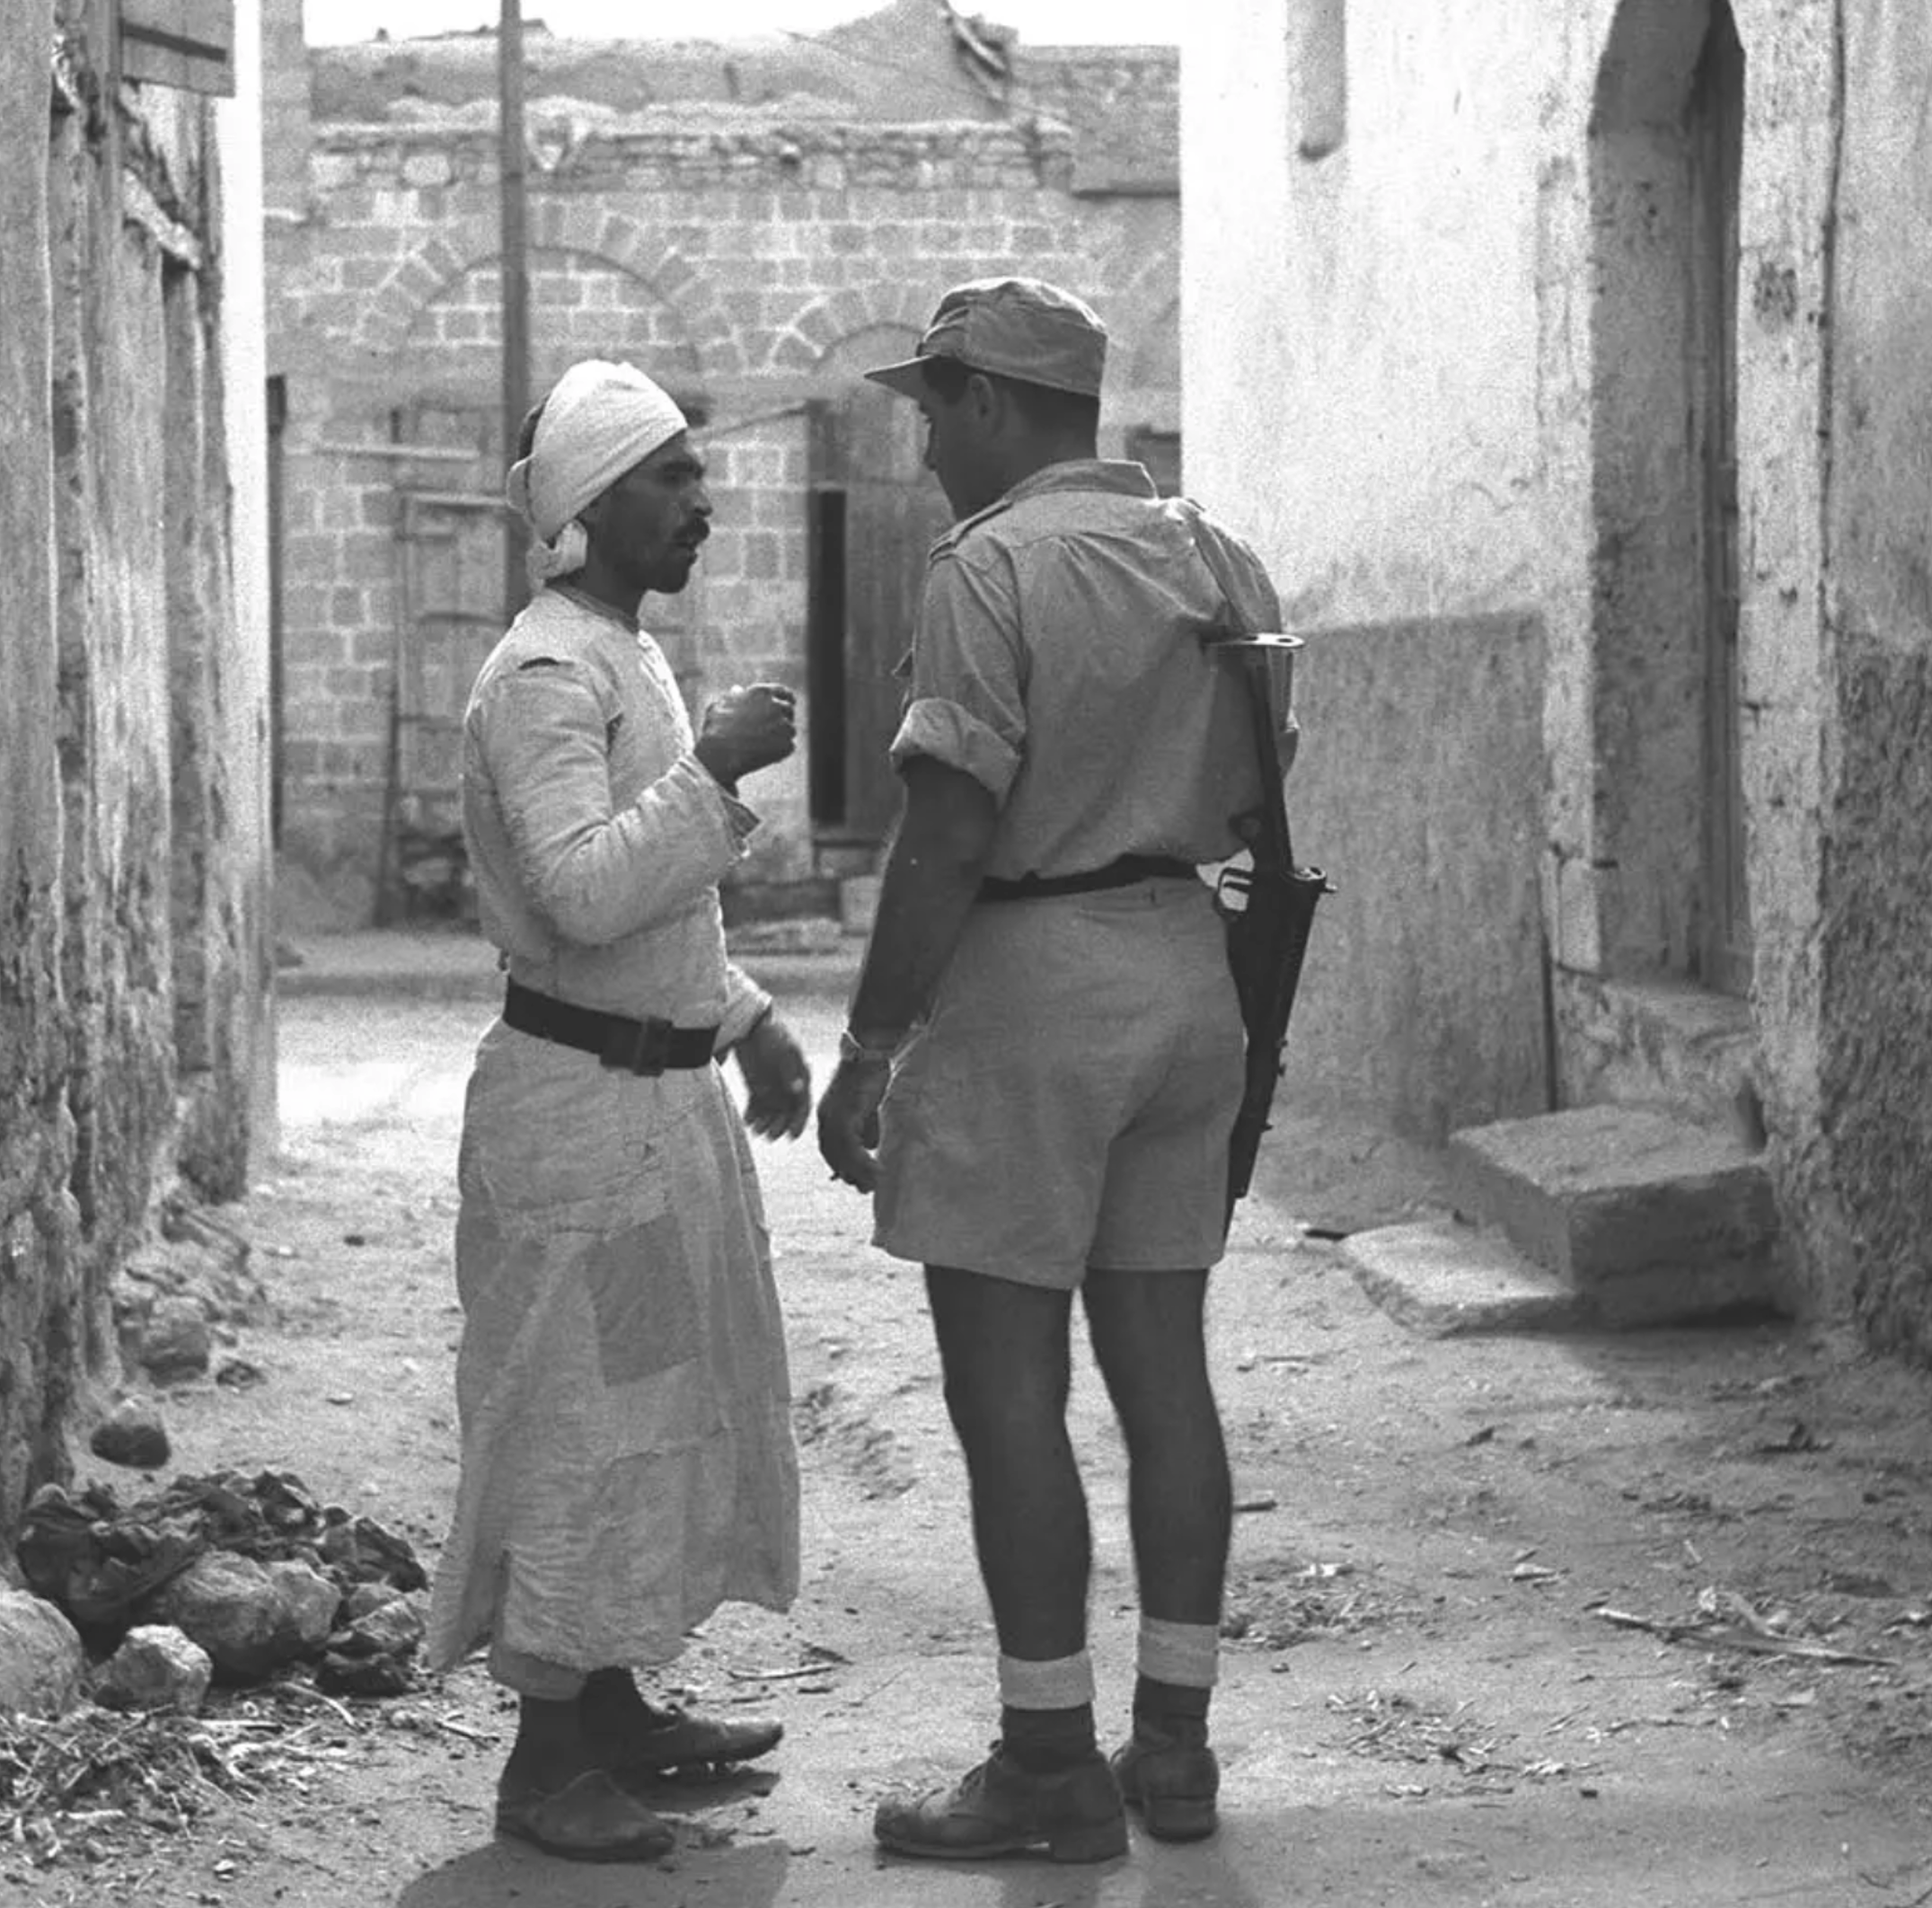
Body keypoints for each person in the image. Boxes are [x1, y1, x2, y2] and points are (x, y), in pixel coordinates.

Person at [815, 278, 1294, 1861]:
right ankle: (1174, 1747)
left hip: (1032, 980)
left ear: (1000, 407)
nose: (928, 440)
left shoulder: (992, 566)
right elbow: (1255, 791)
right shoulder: (1217, 555)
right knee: (1166, 1374)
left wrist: (874, 1043)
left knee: (1007, 1398)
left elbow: (951, 823)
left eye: (938, 406)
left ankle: (1046, 1761)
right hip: (1186, 965)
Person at [423, 358, 815, 1864]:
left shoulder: (619, 656)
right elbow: (586, 898)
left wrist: (749, 1018)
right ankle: (542, 1768)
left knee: (648, 1414)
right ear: (591, 509)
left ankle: (613, 1712)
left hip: (646, 1114)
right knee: (577, 1433)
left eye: (697, 474)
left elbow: (658, 937)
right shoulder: (542, 675)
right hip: (575, 1127)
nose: (703, 503)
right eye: (672, 478)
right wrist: (713, 769)